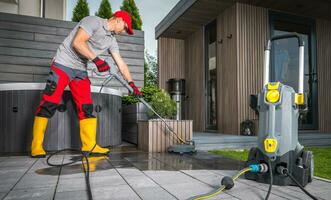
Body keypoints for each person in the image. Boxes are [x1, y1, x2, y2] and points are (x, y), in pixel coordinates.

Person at [31, 10, 142, 157]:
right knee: (49, 102)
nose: (124, 31)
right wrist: (96, 60)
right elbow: (77, 42)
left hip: (79, 70)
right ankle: (36, 146)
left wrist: (132, 84)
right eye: (125, 27)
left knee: (86, 106)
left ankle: (90, 146)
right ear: (119, 19)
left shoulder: (111, 40)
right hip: (62, 64)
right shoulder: (93, 21)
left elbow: (121, 64)